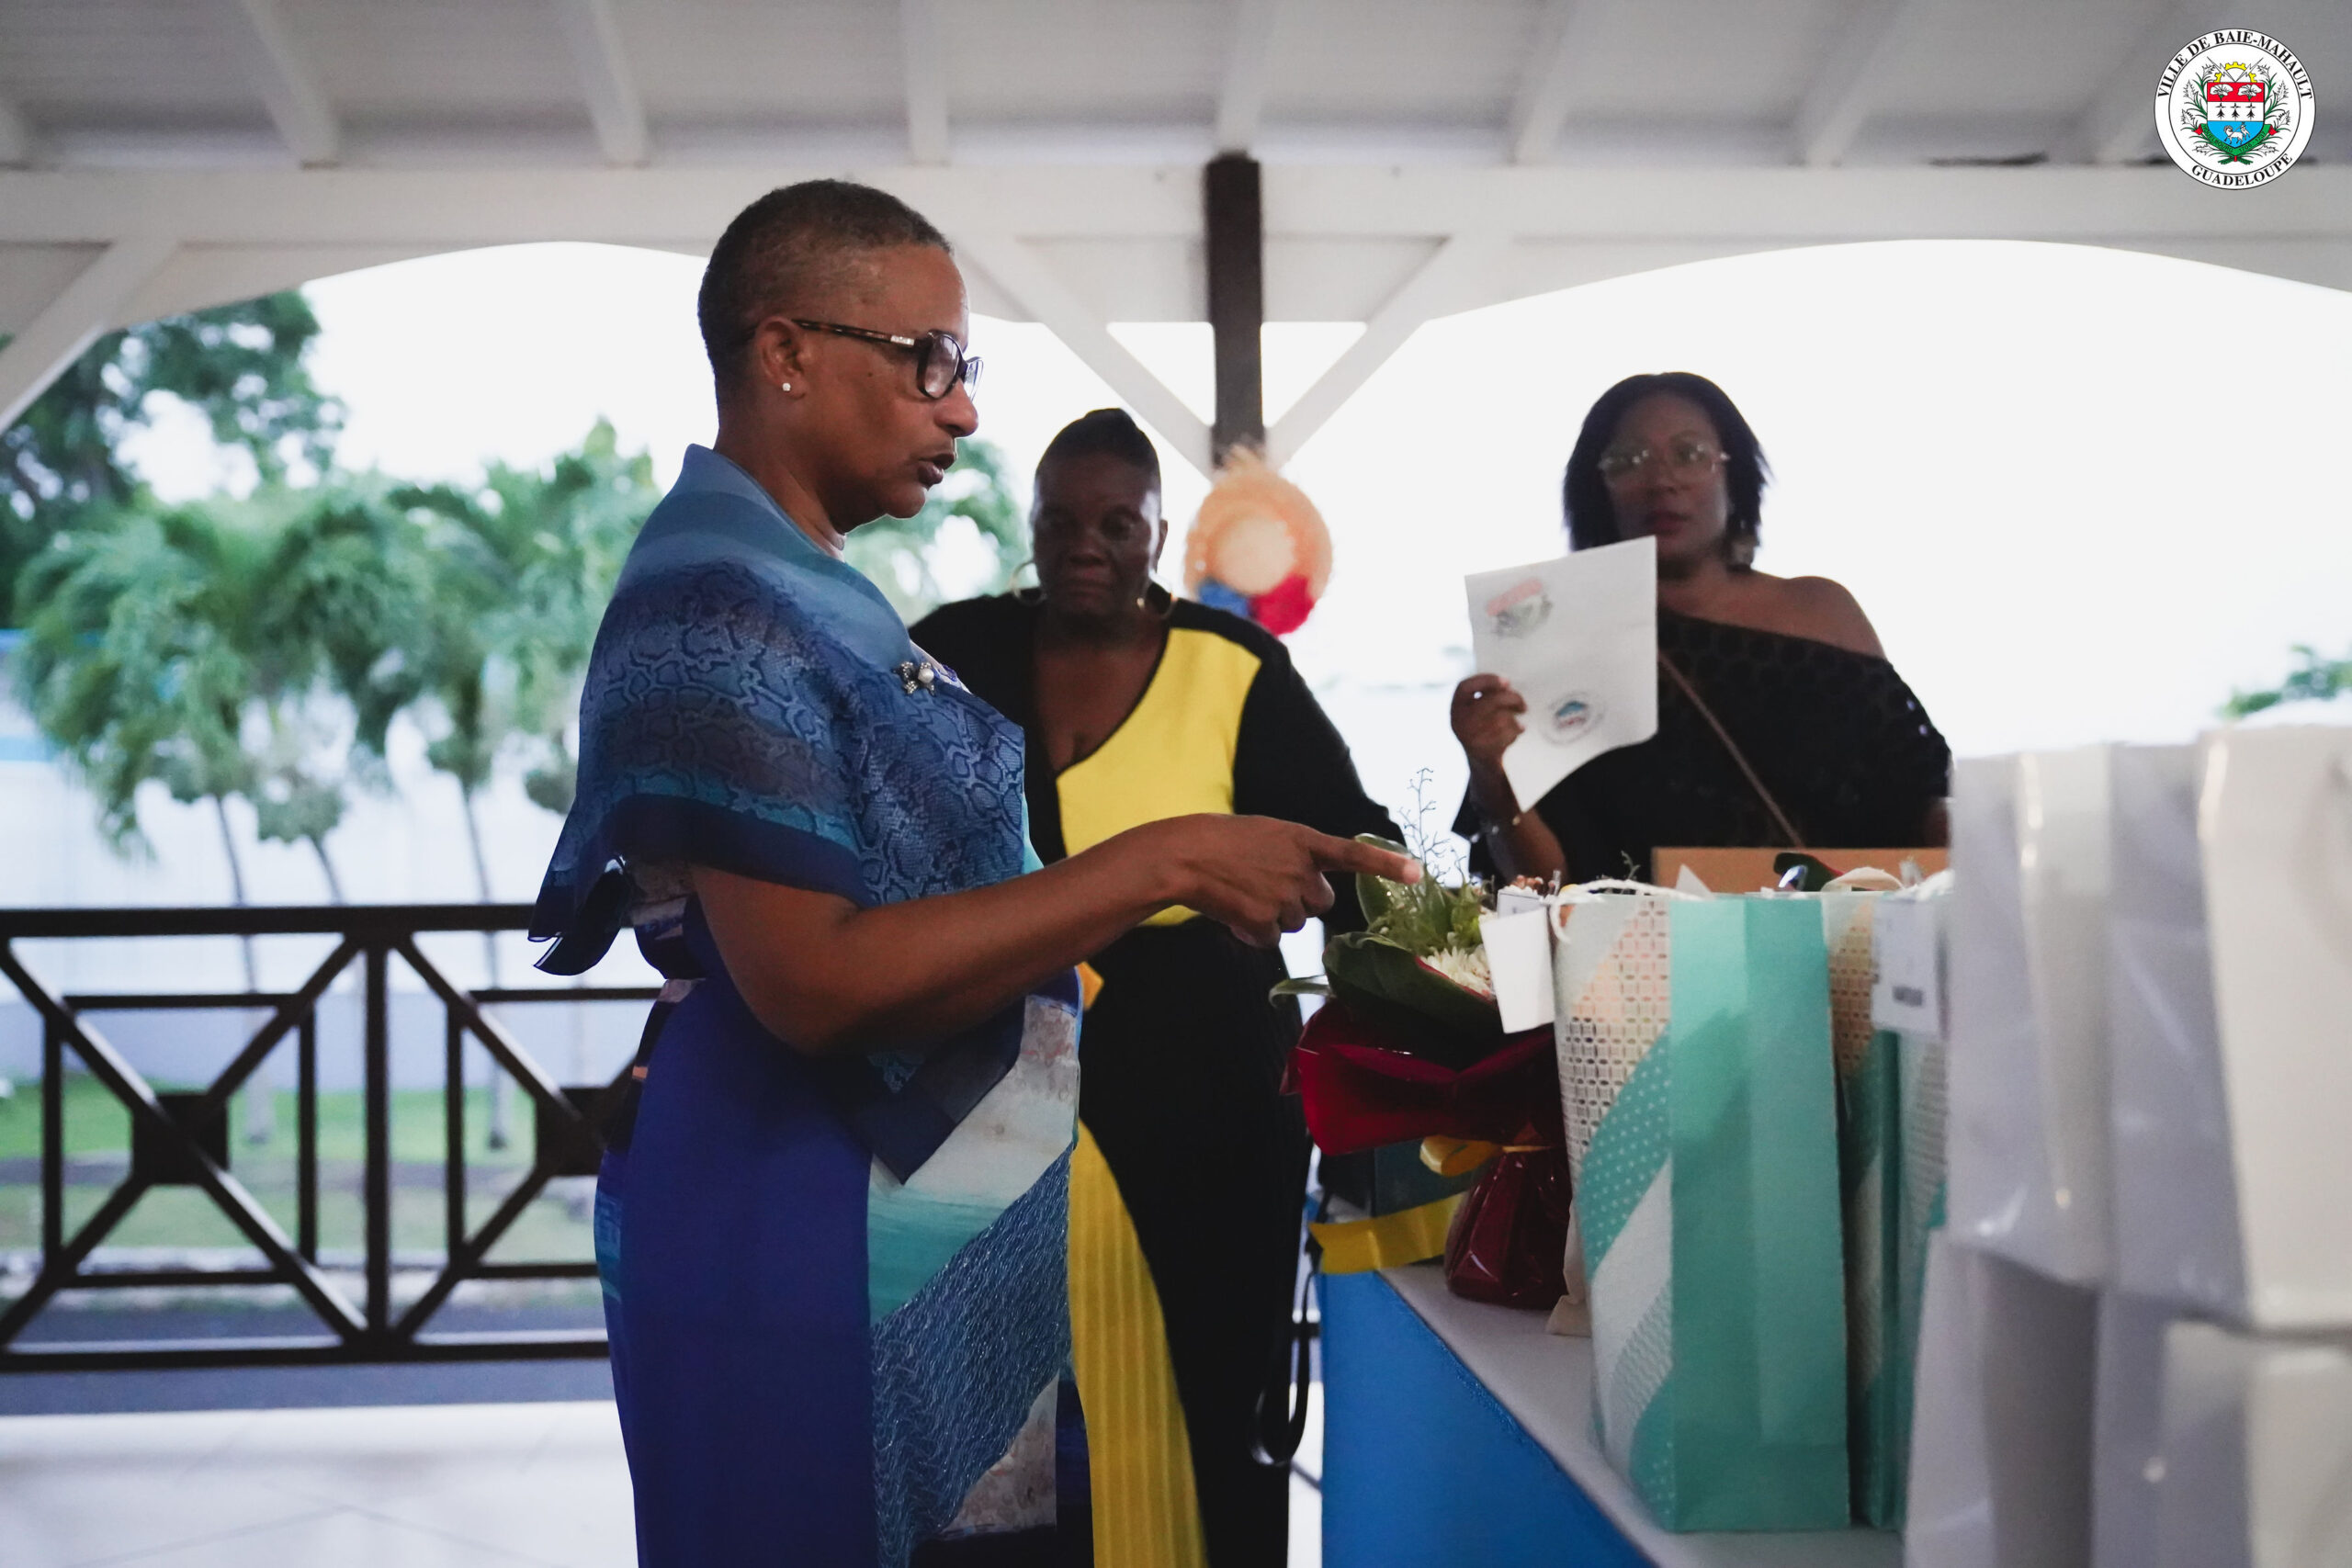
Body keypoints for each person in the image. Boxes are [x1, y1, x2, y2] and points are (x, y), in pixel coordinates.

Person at [528, 182, 1414, 1568]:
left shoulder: (802, 583)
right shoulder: (720, 602)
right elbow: (814, 982)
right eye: (928, 360)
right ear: (786, 352)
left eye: (965, 365)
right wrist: (1162, 859)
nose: (963, 409)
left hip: (907, 1217)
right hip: (804, 1216)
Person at [915, 410, 1399, 1568]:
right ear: (1032, 524)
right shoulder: (954, 649)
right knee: (1004, 1404)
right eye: (1060, 522)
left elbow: (1352, 851)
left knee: (1209, 1381)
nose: (1086, 545)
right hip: (990, 1086)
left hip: (1207, 1092)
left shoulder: (1234, 666)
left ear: (1159, 536)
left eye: (1116, 525)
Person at [1451, 371, 1950, 883]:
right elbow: (1544, 883)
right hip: (1649, 934)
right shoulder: (1562, 642)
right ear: (1597, 490)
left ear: (1734, 474)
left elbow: (1927, 800)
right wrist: (1490, 773)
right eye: (1628, 461)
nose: (1661, 481)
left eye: (1689, 454)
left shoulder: (1824, 613)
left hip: (1848, 926)